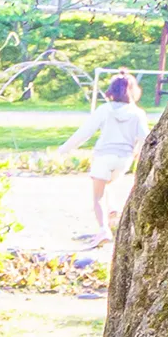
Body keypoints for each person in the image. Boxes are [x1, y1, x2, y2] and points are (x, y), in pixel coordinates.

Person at [61, 74, 151, 239]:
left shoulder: (105, 110)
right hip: (124, 159)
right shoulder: (138, 113)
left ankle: (103, 229)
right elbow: (145, 137)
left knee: (97, 196)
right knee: (108, 184)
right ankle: (113, 211)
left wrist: (64, 149)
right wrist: (138, 151)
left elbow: (85, 132)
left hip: (104, 156)